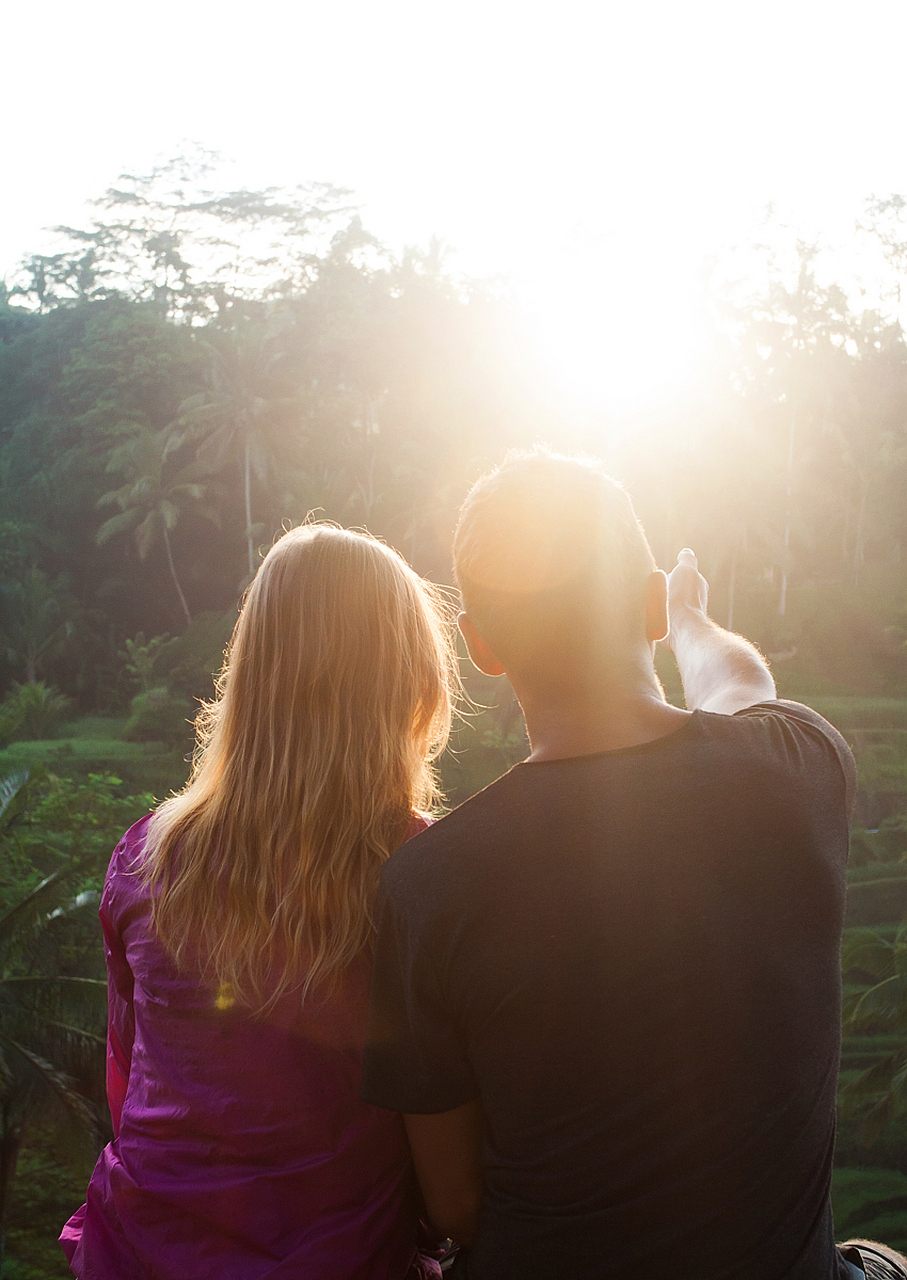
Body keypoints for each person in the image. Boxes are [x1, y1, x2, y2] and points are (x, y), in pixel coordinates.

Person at [361, 450, 907, 1280]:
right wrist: (689, 616)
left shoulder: (424, 885)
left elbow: (456, 1206)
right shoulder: (799, 772)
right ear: (648, 605)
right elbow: (740, 682)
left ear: (481, 648)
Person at [61, 522, 458, 1280]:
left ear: (250, 672)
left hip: (141, 1256)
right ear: (410, 681)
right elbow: (451, 1160)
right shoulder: (421, 870)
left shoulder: (146, 857)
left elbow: (131, 1079)